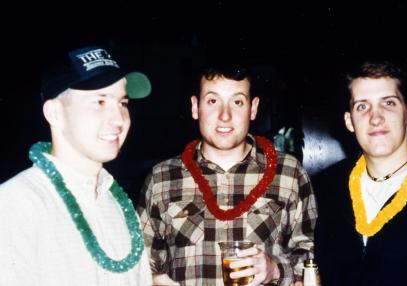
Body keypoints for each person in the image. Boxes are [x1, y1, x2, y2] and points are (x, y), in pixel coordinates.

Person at [139, 66, 317, 285]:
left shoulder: (289, 173)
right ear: (195, 107)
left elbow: (311, 259)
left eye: (237, 102)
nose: (225, 116)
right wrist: (153, 280)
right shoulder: (161, 179)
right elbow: (141, 266)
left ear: (253, 108)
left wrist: (275, 269)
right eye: (213, 101)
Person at [0, 45, 153, 285]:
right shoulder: (17, 204)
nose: (118, 119)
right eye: (100, 102)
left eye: (123, 103)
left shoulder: (119, 207)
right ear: (54, 113)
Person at [314, 61, 407, 285]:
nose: (375, 118)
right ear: (349, 121)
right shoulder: (328, 189)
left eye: (388, 103)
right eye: (362, 106)